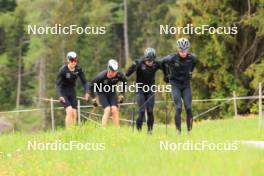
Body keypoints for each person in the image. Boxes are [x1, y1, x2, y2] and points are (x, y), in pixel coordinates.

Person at [161, 38, 197, 134]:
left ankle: (189, 131)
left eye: (185, 50)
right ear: (178, 49)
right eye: (181, 50)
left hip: (186, 84)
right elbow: (161, 63)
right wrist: (166, 75)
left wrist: (190, 72)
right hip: (175, 84)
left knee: (188, 107)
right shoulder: (172, 58)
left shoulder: (192, 58)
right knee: (179, 107)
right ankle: (178, 130)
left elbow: (193, 64)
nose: (183, 52)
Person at [126, 48, 165, 134]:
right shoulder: (140, 63)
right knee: (142, 111)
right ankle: (139, 131)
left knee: (150, 111)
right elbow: (127, 74)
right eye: (148, 61)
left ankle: (150, 131)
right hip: (140, 89)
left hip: (150, 88)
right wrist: (134, 66)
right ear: (145, 58)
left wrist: (167, 76)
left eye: (151, 61)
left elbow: (165, 67)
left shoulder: (156, 63)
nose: (149, 63)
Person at [88, 59, 127, 127]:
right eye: (112, 71)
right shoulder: (101, 76)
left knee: (114, 109)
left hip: (111, 92)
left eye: (115, 71)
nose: (114, 73)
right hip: (101, 92)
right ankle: (104, 129)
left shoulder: (119, 75)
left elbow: (124, 82)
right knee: (107, 109)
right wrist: (93, 98)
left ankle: (117, 131)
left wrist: (122, 94)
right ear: (108, 69)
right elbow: (91, 86)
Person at [56, 51, 89, 127]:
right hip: (63, 92)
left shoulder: (78, 69)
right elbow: (58, 85)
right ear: (68, 60)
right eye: (72, 60)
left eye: (75, 60)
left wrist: (87, 92)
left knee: (74, 113)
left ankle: (73, 130)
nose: (74, 62)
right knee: (69, 111)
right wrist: (60, 95)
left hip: (72, 91)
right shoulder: (63, 70)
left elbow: (85, 82)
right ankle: (68, 131)